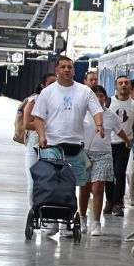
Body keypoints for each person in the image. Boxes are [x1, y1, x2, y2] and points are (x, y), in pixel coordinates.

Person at [31, 55, 104, 217]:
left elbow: (97, 110)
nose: (66, 70)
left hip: (75, 146)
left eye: (69, 67)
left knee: (72, 184)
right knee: (52, 182)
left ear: (74, 70)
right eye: (62, 67)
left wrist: (99, 125)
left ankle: (67, 216)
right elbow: (38, 119)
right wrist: (42, 136)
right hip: (52, 145)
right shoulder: (47, 92)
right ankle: (49, 218)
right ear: (57, 70)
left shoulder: (84, 91)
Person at [80, 85, 130, 236]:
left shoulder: (110, 115)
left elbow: (118, 130)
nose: (98, 98)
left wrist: (127, 141)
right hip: (85, 154)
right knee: (84, 188)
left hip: (103, 154)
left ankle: (96, 222)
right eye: (95, 96)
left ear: (105, 98)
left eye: (101, 95)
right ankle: (82, 218)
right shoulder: (83, 114)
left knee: (98, 188)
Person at [105, 75, 134, 217]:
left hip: (124, 144)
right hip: (107, 143)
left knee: (120, 172)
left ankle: (118, 203)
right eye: (120, 83)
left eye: (126, 83)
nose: (123, 85)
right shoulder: (109, 103)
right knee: (108, 174)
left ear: (130, 87)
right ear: (116, 86)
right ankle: (109, 200)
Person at [22, 73, 56, 210]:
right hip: (34, 144)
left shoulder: (59, 101)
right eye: (50, 83)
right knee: (33, 180)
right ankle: (33, 210)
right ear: (43, 85)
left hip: (54, 144)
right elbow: (27, 124)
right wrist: (45, 125)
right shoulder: (33, 101)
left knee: (51, 181)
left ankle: (48, 211)